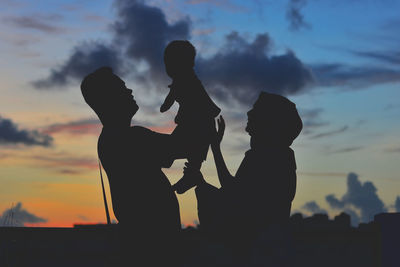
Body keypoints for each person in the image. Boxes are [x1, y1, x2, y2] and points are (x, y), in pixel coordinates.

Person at [80, 67, 181, 266]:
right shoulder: (130, 138)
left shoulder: (110, 140)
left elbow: (174, 149)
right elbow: (181, 147)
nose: (129, 92)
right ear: (109, 99)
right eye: (121, 88)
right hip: (153, 249)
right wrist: (191, 108)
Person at [192, 92, 303, 266]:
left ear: (269, 121)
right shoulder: (274, 155)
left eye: (256, 110)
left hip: (261, 251)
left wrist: (202, 184)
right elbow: (237, 194)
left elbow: (235, 195)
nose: (249, 113)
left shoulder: (268, 156)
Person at [160, 40, 221, 194]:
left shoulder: (186, 80)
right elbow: (171, 97)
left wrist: (166, 105)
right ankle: (190, 173)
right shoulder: (184, 80)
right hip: (195, 122)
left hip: (198, 122)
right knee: (192, 151)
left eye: (168, 63)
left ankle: (190, 174)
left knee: (193, 151)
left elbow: (170, 99)